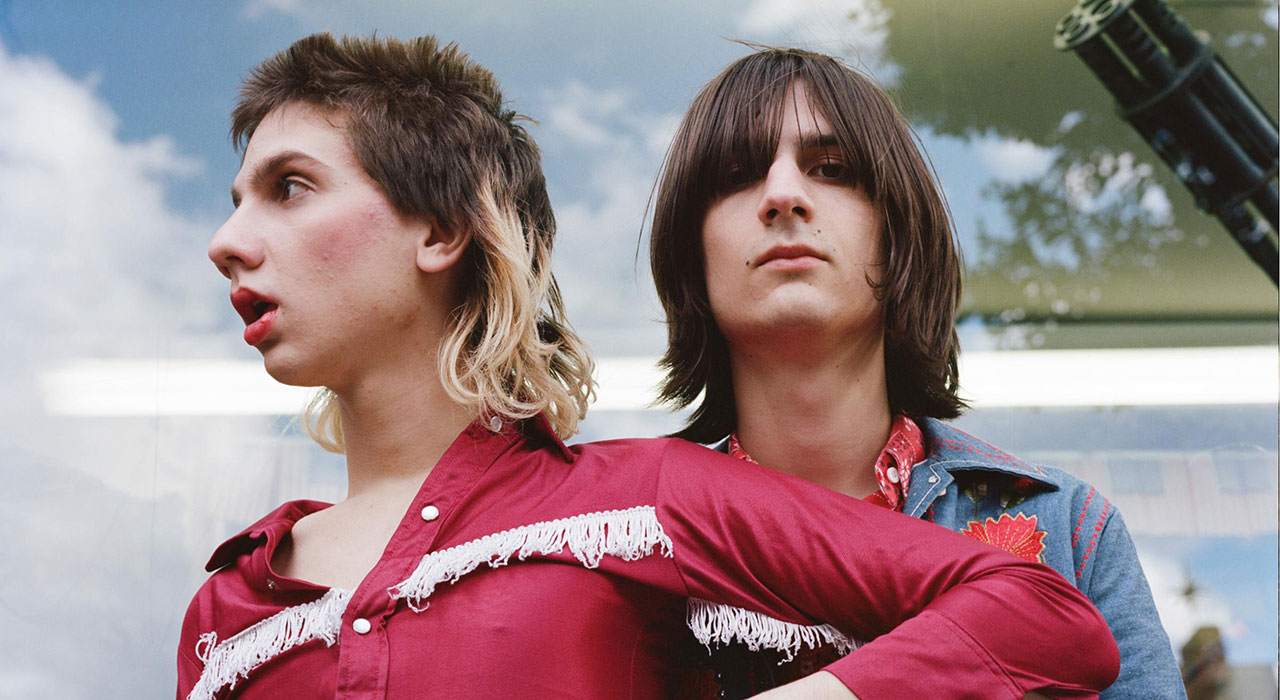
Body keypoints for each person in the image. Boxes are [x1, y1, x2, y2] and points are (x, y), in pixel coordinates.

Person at [177, 33, 1121, 700]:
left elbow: (1045, 616)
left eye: (290, 187)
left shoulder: (640, 504)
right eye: (737, 178)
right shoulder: (225, 608)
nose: (226, 242)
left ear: (442, 230)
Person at [648, 47, 1184, 699]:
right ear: (691, 251)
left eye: (833, 169)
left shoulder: (1068, 528)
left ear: (897, 231)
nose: (783, 195)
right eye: (736, 175)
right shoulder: (623, 549)